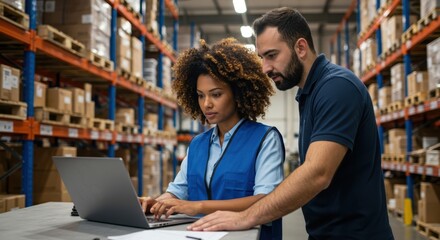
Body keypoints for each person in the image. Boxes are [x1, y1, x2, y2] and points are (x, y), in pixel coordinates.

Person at [188, 7, 395, 240]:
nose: (265, 68)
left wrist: (245, 217)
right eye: (262, 58)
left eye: (272, 55)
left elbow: (317, 173)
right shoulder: (310, 94)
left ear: (301, 48)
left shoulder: (337, 88)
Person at [139, 38, 285, 240]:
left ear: (238, 93)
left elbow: (267, 200)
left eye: (216, 94)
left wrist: (196, 206)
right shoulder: (198, 144)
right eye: (200, 95)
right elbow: (178, 191)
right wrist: (156, 203)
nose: (206, 104)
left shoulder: (265, 139)